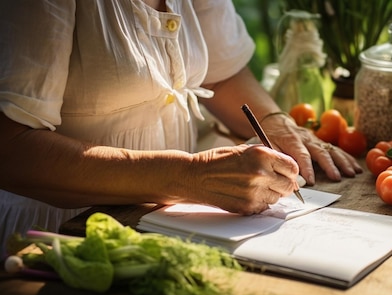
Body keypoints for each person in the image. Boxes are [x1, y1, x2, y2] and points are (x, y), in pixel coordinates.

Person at [0, 0, 362, 255]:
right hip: (56, 237)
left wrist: (275, 121)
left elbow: (221, 72)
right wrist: (190, 176)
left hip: (165, 224)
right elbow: (10, 150)